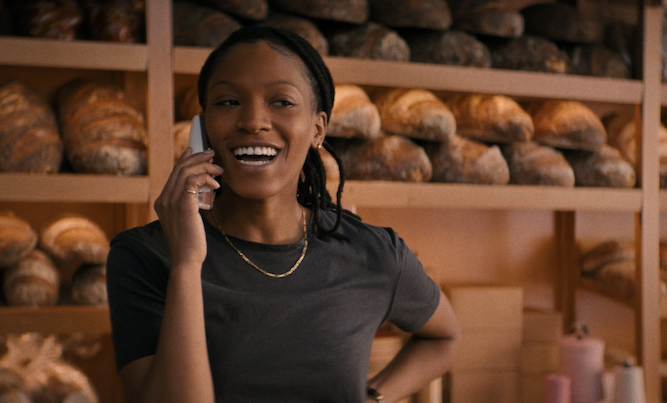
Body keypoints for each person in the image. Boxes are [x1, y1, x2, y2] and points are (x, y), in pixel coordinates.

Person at [106, 26, 461, 403]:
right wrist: (186, 264)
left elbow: (444, 337)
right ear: (203, 129)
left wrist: (373, 398)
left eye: (281, 101)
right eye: (228, 102)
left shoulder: (370, 251)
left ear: (318, 129)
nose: (253, 121)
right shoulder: (144, 256)